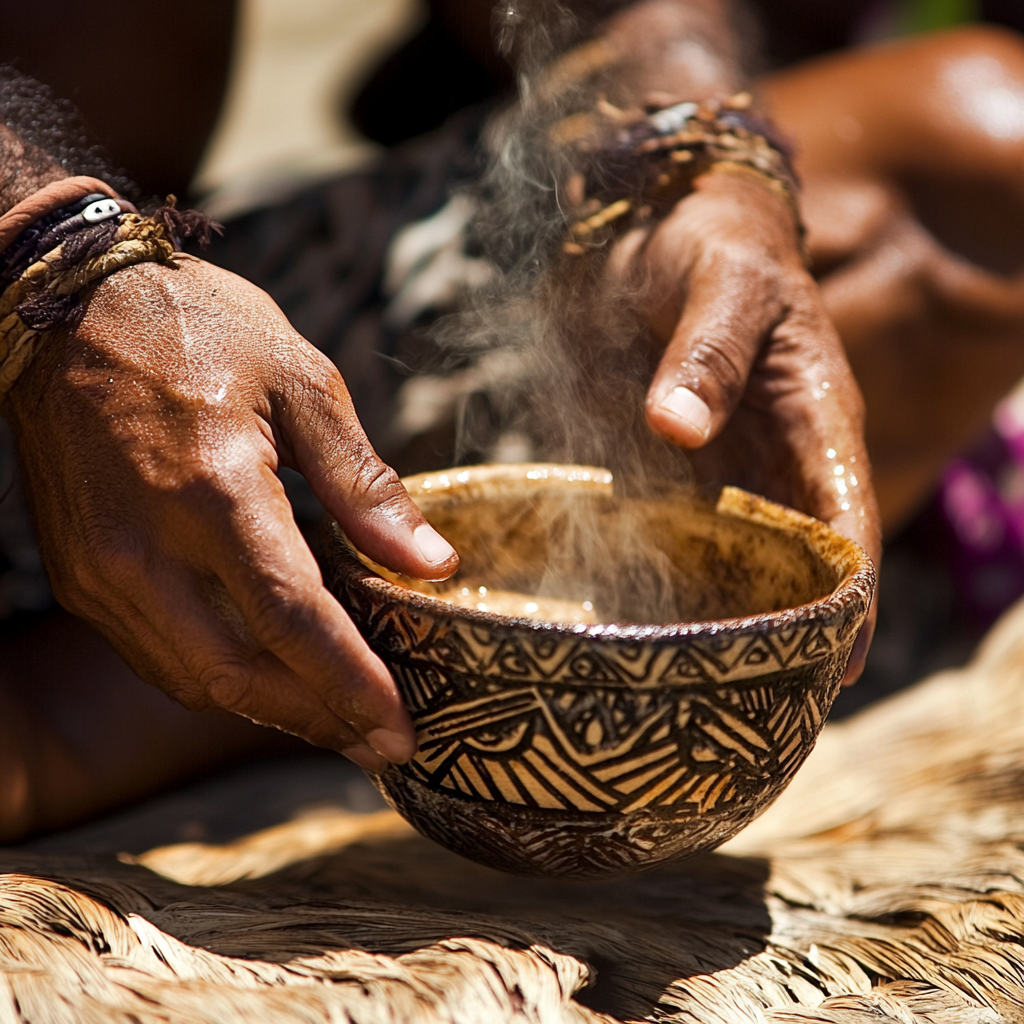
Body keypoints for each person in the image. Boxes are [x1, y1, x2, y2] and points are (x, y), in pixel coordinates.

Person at [0, 0, 1020, 842]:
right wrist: (48, 260)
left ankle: (283, 658)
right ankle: (95, 719)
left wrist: (687, 153)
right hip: (48, 246)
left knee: (970, 156)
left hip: (169, 256)